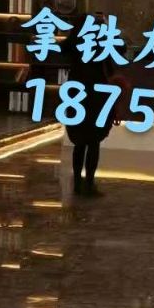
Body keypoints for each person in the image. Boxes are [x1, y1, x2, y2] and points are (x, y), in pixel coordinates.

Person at [61, 12, 120, 197]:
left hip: (76, 93)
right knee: (94, 141)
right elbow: (119, 50)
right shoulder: (100, 40)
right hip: (97, 94)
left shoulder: (73, 41)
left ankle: (77, 183)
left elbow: (61, 50)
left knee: (79, 141)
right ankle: (89, 183)